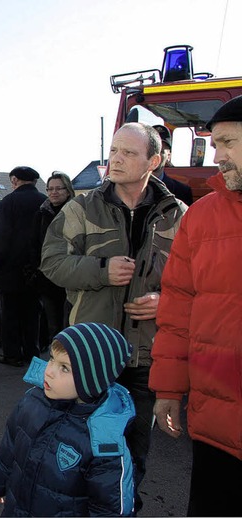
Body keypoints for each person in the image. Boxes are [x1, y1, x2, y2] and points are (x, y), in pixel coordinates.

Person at [40, 122, 186, 513]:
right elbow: (51, 262)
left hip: (145, 358)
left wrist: (165, 301)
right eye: (113, 151)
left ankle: (123, 506)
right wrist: (100, 270)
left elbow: (197, 283)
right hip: (88, 356)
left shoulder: (179, 216)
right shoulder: (80, 207)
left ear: (154, 161)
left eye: (128, 153)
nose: (115, 159)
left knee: (134, 446)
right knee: (75, 443)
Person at [150, 96, 242, 517]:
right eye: (215, 143)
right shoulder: (200, 217)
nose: (217, 155)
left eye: (227, 142)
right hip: (216, 428)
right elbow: (177, 310)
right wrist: (169, 388)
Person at [0, 322, 135, 517]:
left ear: (91, 380)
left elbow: (110, 507)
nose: (49, 371)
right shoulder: (33, 401)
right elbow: (9, 447)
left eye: (64, 368)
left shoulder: (103, 439)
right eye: (52, 359)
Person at [0, 166, 46, 367]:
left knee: (10, 313)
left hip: (10, 268)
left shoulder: (8, 202)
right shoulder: (43, 202)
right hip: (37, 268)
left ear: (14, 180)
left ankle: (12, 354)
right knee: (33, 313)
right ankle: (33, 352)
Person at [30, 171, 75, 350]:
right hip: (48, 278)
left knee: (71, 324)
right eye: (50, 189)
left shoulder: (77, 212)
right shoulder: (41, 214)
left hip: (73, 276)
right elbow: (34, 245)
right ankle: (57, 364)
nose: (53, 192)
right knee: (53, 324)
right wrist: (36, 270)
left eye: (58, 188)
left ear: (68, 190)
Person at [152, 124, 193, 205]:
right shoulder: (125, 187)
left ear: (169, 156)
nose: (155, 156)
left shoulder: (182, 191)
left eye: (161, 151)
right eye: (152, 150)